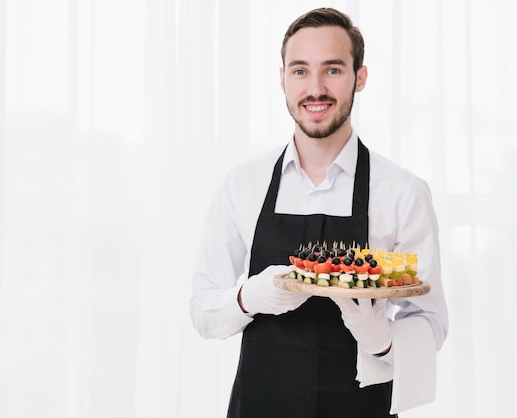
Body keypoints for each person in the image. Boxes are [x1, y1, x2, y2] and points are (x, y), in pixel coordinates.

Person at [189, 7, 449, 418]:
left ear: (359, 77)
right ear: (282, 79)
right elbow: (202, 312)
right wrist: (250, 296)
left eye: (332, 70)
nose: (315, 89)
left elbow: (430, 321)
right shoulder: (243, 184)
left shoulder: (402, 192)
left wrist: (380, 338)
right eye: (299, 71)